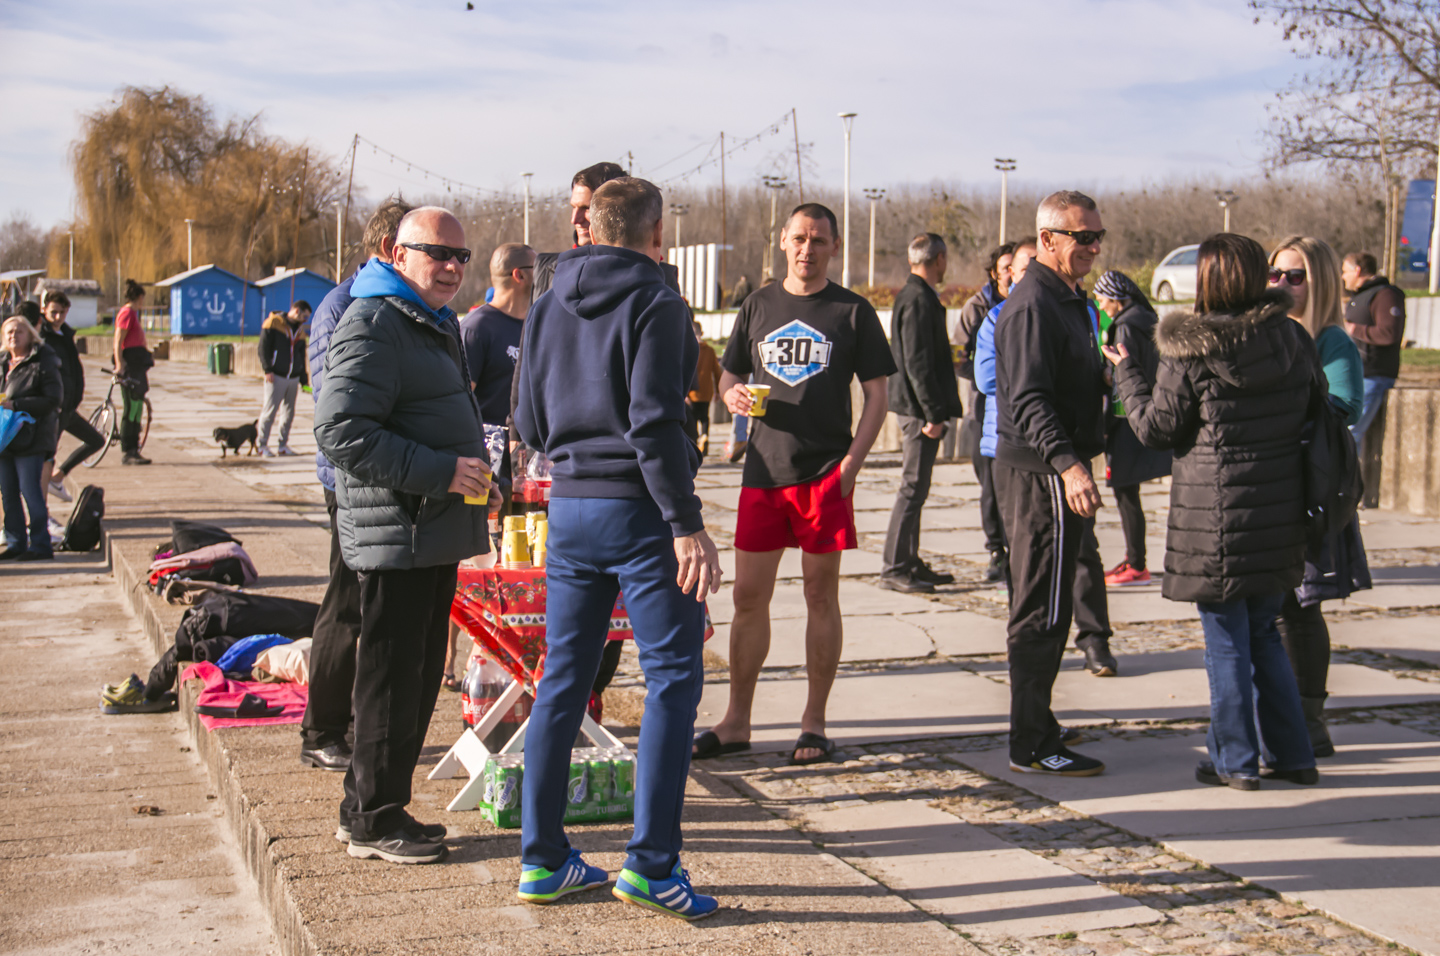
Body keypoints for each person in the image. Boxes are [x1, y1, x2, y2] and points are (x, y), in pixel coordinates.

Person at [514, 177, 722, 919]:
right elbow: (656, 422)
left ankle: (542, 859)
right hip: (639, 511)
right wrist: (686, 522)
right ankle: (652, 865)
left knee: (561, 679)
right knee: (672, 677)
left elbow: (528, 422)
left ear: (591, 228)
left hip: (569, 509)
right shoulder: (659, 302)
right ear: (656, 231)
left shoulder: (545, 301)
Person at [1107, 232, 1320, 790]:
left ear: (1206, 281)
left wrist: (1126, 373)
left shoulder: (1191, 349)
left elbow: (1156, 428)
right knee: (1266, 635)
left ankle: (1236, 760)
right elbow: (1310, 413)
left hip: (1215, 519)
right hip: (1277, 514)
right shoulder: (1292, 339)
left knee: (1226, 642)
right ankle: (1293, 755)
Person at [313, 206, 492, 863]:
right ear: (394, 251)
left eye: (461, 257)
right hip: (399, 532)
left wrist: (473, 481)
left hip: (427, 528)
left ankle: (369, 807)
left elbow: (427, 418)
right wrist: (443, 472)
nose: (451, 267)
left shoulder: (424, 320)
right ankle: (375, 819)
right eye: (436, 253)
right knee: (392, 679)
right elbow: (341, 430)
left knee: (414, 678)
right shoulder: (377, 321)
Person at [696, 202, 895, 766]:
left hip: (824, 475)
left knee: (818, 596)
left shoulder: (852, 312)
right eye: (800, 238)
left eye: (820, 240)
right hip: (763, 471)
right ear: (783, 241)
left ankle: (814, 722)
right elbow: (731, 375)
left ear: (834, 248)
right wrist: (731, 396)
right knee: (747, 597)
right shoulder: (758, 303)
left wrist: (853, 464)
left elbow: (878, 395)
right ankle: (736, 720)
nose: (808, 249)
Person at [992, 192, 1110, 776]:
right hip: (1041, 477)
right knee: (1041, 607)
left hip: (1053, 469)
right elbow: (1029, 397)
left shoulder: (1067, 298)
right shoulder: (1035, 302)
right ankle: (1031, 742)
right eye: (1080, 237)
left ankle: (1037, 722)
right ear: (1047, 239)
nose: (1091, 246)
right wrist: (1069, 465)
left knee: (1053, 603)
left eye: (1096, 236)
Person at [299, 196, 413, 773]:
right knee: (345, 604)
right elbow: (337, 412)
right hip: (350, 482)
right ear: (389, 250)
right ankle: (320, 727)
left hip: (375, 479)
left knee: (364, 606)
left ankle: (343, 722)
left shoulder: (379, 303)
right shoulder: (341, 308)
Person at [1271, 236, 1368, 759]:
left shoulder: (1331, 339)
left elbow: (1348, 405)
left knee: (1302, 607)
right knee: (1277, 606)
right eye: (1275, 273)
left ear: (1322, 280)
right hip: (1272, 486)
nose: (1281, 284)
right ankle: (1285, 717)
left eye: (1295, 275)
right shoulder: (1272, 333)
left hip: (1312, 489)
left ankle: (1310, 721)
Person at [882, 232, 964, 592]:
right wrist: (933, 413)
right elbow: (917, 363)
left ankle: (910, 562)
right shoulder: (916, 298)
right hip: (919, 411)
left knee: (918, 489)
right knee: (912, 488)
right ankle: (895, 567)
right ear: (939, 259)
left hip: (919, 408)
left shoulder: (917, 295)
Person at [1092, 270, 1172, 588]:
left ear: (1115, 298)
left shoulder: (1125, 326)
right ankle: (1133, 559)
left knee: (1125, 491)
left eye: (1101, 299)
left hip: (1126, 418)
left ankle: (1136, 563)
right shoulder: (1146, 319)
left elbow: (1122, 375)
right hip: (1144, 413)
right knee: (1129, 491)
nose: (1099, 305)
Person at [955, 243, 1013, 581]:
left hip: (1015, 413)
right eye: (1004, 267)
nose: (1009, 273)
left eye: (1014, 266)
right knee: (990, 488)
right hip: (982, 410)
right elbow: (957, 358)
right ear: (994, 272)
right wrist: (986, 374)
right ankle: (995, 550)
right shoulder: (977, 308)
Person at [0, 315, 63, 561]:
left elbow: (53, 400)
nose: (13, 336)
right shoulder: (3, 362)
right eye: (8, 333)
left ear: (30, 335)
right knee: (8, 491)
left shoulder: (43, 361)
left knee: (30, 490)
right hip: (5, 439)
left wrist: (15, 404)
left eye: (19, 331)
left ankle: (40, 544)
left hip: (32, 438)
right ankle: (16, 542)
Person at [40, 292, 105, 499]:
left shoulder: (66, 335)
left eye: (61, 312)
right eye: (53, 312)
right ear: (44, 311)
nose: (57, 317)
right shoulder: (42, 338)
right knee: (46, 458)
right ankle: (41, 510)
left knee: (96, 440)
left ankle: (58, 477)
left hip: (69, 407)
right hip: (54, 408)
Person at [461, 243, 534, 428]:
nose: (545, 275)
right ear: (520, 275)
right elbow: (457, 403)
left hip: (531, 451)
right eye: (538, 268)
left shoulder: (537, 324)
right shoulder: (476, 328)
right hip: (490, 451)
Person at [1341, 252, 1405, 444]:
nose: (1343, 276)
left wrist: (1354, 329)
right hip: (1354, 374)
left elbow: (1389, 333)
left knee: (1349, 434)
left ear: (1357, 270)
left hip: (1372, 375)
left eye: (1345, 271)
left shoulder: (1385, 294)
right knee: (1341, 432)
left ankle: (1346, 474)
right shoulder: (1360, 297)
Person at [256, 302, 311, 457]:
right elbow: (263, 348)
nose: (305, 320)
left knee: (289, 413)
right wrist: (267, 369)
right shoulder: (273, 323)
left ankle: (282, 445)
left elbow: (301, 355)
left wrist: (303, 379)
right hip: (276, 375)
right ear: (295, 310)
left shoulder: (300, 331)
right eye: (304, 316)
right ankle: (262, 445)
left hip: (292, 377)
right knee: (270, 411)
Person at [112, 279, 152, 466]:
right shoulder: (127, 313)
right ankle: (128, 450)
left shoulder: (133, 314)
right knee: (131, 409)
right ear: (139, 297)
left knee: (137, 408)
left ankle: (134, 448)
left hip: (137, 365)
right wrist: (120, 364)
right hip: (130, 366)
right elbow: (119, 338)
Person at [687, 320, 721, 458]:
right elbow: (717, 372)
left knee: (693, 419)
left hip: (692, 393)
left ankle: (695, 445)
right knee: (705, 418)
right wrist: (719, 391)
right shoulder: (710, 351)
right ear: (702, 333)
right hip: (707, 392)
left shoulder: (688, 349)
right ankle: (705, 437)